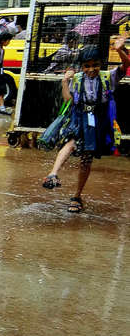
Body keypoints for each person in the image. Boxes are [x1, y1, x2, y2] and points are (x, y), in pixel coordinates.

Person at [41, 42, 129, 213]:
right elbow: (68, 100)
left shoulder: (107, 77)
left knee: (86, 159)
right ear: (81, 66)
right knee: (71, 143)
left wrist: (119, 50)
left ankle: (77, 196)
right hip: (80, 117)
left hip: (98, 120)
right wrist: (65, 81)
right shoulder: (77, 79)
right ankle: (53, 173)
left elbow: (126, 65)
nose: (91, 69)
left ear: (100, 64)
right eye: (87, 66)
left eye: (95, 65)